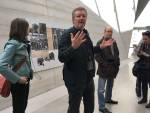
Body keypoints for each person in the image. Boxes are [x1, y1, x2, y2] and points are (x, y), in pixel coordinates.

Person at [58, 7, 114, 113]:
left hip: (88, 78)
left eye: (84, 16)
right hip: (74, 80)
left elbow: (89, 50)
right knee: (74, 109)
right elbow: (61, 57)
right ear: (73, 19)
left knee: (90, 108)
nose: (81, 18)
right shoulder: (67, 35)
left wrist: (100, 47)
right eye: (78, 16)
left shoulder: (85, 33)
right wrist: (73, 47)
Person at [0, 18, 33, 113]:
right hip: (18, 83)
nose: (28, 29)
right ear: (21, 28)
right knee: (18, 109)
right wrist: (18, 79)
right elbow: (1, 65)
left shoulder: (22, 43)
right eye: (27, 27)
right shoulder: (13, 44)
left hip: (25, 81)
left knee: (22, 107)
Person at [95, 26, 120, 113]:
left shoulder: (113, 42)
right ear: (104, 31)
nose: (109, 33)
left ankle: (108, 99)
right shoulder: (100, 42)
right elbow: (97, 56)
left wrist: (117, 63)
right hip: (103, 69)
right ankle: (101, 107)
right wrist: (104, 64)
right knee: (101, 89)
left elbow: (116, 53)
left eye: (111, 31)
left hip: (112, 69)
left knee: (110, 86)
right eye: (108, 31)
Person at [135, 31, 150, 108]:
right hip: (144, 67)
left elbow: (147, 55)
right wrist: (139, 53)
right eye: (143, 39)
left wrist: (144, 54)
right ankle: (144, 98)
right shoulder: (143, 44)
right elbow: (138, 53)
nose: (144, 40)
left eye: (146, 39)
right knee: (144, 84)